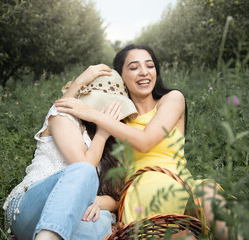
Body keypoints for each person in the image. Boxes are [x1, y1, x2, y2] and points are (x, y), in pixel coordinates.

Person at [55, 45, 233, 239]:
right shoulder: (115, 121)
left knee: (209, 194)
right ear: (120, 76)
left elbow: (145, 141)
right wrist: (80, 82)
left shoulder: (171, 99)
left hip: (181, 187)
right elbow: (56, 115)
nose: (144, 72)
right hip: (143, 202)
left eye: (150, 66)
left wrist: (94, 115)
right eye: (133, 68)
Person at [3, 65, 138, 240]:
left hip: (71, 220)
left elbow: (116, 199)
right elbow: (84, 168)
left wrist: (96, 202)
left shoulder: (113, 146)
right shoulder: (63, 117)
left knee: (103, 218)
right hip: (29, 209)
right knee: (85, 170)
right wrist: (102, 134)